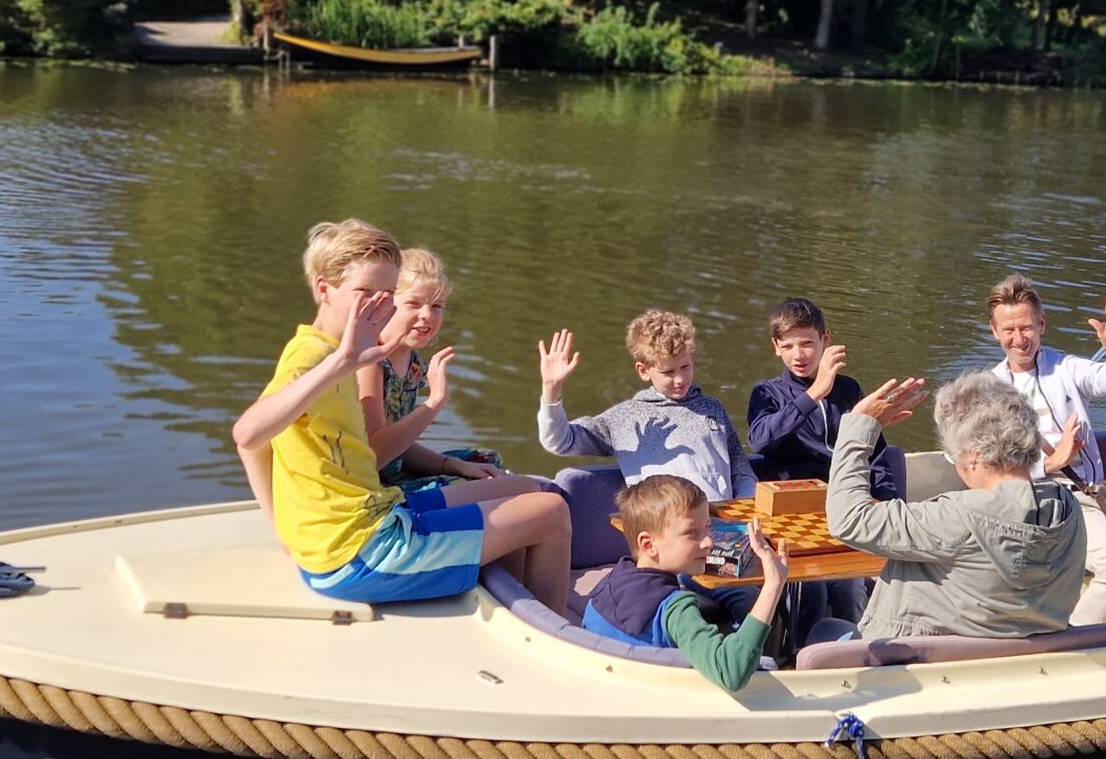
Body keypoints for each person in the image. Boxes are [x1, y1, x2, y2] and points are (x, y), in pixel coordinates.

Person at [232, 219, 572, 609]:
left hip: (374, 513)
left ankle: (515, 610)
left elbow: (257, 446)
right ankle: (554, 635)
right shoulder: (315, 356)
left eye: (386, 294)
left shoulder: (331, 348)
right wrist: (344, 362)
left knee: (523, 490)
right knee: (551, 513)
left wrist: (284, 532)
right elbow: (248, 435)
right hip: (361, 554)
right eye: (364, 293)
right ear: (324, 289)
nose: (378, 305)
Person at [825, 372, 1087, 640]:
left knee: (823, 629)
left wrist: (860, 427)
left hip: (915, 665)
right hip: (1011, 664)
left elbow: (849, 519)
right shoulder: (1068, 510)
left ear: (973, 458)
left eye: (954, 457)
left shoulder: (957, 517)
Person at [985, 273, 1106, 624]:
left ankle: (1070, 640)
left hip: (1078, 500)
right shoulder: (987, 390)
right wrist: (1050, 463)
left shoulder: (1066, 368)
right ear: (994, 331)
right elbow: (975, 467)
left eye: (1026, 328)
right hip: (1018, 503)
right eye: (1008, 331)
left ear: (1042, 323)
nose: (1018, 339)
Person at [581, 474, 791, 690]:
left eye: (707, 528)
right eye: (692, 533)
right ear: (648, 544)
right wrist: (773, 584)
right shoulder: (677, 609)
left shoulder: (606, 586)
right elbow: (730, 672)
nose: (708, 542)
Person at [536, 309, 759, 502]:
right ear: (643, 371)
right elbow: (559, 441)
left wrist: (740, 513)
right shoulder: (624, 418)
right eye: (668, 372)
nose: (680, 379)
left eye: (685, 366)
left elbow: (742, 472)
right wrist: (551, 389)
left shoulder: (713, 410)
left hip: (722, 530)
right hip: (662, 535)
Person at [357, 248, 512, 491]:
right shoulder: (371, 362)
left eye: (437, 305)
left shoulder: (414, 363)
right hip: (369, 487)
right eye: (414, 304)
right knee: (490, 486)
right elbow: (374, 456)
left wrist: (455, 465)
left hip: (394, 472)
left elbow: (402, 447)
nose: (427, 315)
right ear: (386, 304)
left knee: (486, 461)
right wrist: (435, 401)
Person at [746, 297, 900, 499]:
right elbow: (759, 441)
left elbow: (875, 455)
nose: (798, 355)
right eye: (787, 347)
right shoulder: (767, 393)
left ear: (825, 339)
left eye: (807, 343)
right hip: (794, 500)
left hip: (847, 496)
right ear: (776, 346)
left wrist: (888, 503)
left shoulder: (849, 388)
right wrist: (813, 394)